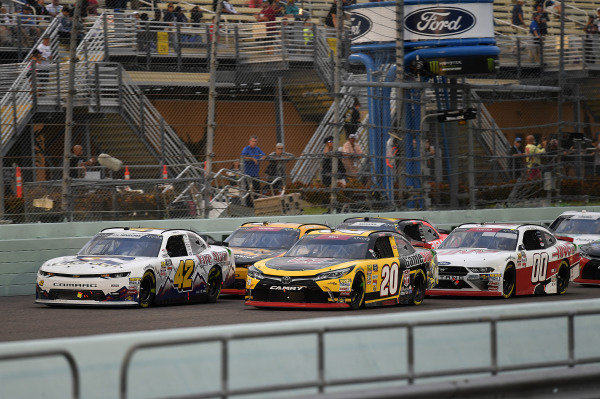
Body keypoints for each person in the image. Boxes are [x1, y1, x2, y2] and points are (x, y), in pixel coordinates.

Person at [241, 135, 265, 204]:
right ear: (249, 141)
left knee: (257, 189)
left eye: (255, 141)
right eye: (253, 141)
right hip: (248, 173)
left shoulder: (257, 149)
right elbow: (243, 156)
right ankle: (248, 204)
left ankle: (255, 202)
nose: (254, 143)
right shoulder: (246, 148)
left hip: (255, 173)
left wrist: (261, 158)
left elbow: (264, 155)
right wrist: (252, 158)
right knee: (248, 189)